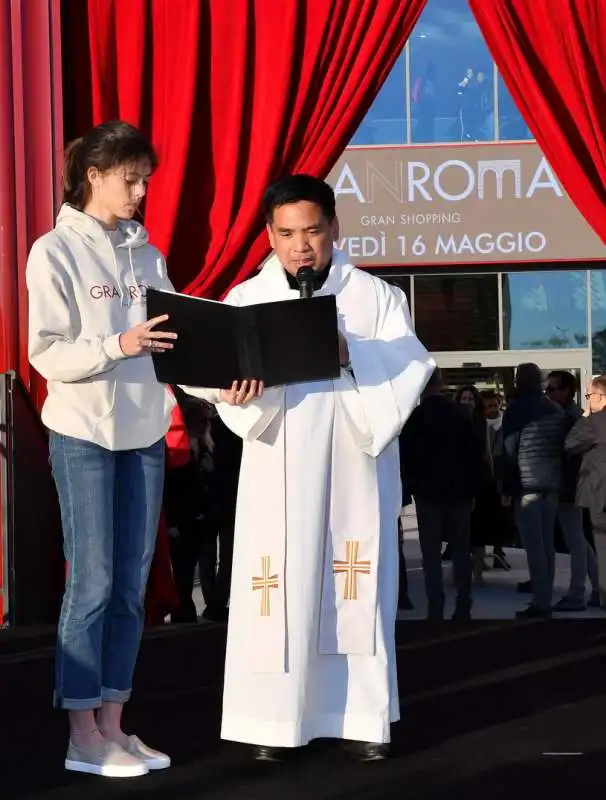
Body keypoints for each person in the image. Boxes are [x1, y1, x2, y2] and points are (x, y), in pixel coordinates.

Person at [194, 175, 434, 762]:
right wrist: (236, 391)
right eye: (286, 233)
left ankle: (359, 718)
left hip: (354, 460)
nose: (301, 246)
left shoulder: (375, 298)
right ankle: (272, 721)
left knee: (353, 584)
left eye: (312, 231)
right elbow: (217, 378)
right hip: (279, 460)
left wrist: (353, 351)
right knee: (275, 586)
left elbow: (411, 366)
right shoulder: (247, 299)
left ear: (334, 227)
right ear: (269, 236)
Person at [26, 121, 177, 778]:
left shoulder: (148, 255)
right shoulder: (53, 251)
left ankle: (114, 725)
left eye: (145, 179)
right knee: (91, 583)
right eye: (130, 178)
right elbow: (46, 352)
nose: (140, 191)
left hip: (142, 433)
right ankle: (80, 732)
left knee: (130, 587)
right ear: (93, 173)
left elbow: (174, 343)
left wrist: (220, 387)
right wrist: (118, 345)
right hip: (82, 433)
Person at [400, 370, 483, 620]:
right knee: (460, 549)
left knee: (431, 552)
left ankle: (435, 605)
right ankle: (463, 603)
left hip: (428, 492)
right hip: (458, 490)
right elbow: (474, 454)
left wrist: (411, 486)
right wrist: (473, 489)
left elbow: (407, 456)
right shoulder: (460, 414)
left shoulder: (416, 417)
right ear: (441, 383)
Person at [501, 363, 567, 619]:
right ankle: (546, 596)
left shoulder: (516, 410)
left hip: (527, 483)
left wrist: (506, 487)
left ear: (519, 380)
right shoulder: (554, 408)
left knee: (534, 545)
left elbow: (509, 450)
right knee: (547, 543)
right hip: (551, 483)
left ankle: (541, 602)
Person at [546, 371, 599, 610]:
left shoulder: (571, 418)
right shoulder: (570, 415)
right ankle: (598, 589)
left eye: (552, 389)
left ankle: (577, 593)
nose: (548, 394)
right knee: (579, 539)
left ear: (566, 391)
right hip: (572, 484)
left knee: (575, 540)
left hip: (570, 485)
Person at [565, 375, 606, 609]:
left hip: (600, 495)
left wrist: (584, 416)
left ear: (600, 397)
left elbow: (570, 443)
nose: (588, 400)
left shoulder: (594, 422)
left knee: (602, 549)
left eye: (590, 396)